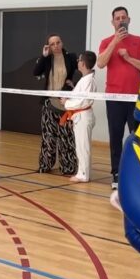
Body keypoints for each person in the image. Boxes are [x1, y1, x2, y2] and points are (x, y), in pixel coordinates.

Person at [97, 6, 140, 189]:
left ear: (129, 20)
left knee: (138, 137)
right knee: (116, 137)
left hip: (136, 98)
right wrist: (115, 42)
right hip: (114, 98)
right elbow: (101, 63)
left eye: (123, 17)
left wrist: (128, 58)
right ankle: (116, 175)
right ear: (113, 22)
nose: (121, 20)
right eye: (117, 18)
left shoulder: (139, 41)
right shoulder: (106, 42)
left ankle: (138, 174)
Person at [33, 34, 78, 175]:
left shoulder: (71, 57)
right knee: (48, 136)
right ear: (49, 46)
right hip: (49, 102)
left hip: (66, 102)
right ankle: (45, 165)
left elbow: (85, 69)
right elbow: (35, 72)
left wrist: (74, 84)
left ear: (62, 43)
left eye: (58, 42)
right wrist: (44, 56)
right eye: (52, 44)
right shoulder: (47, 59)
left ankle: (68, 167)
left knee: (67, 136)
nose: (56, 46)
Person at [62, 51, 97, 183]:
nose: (77, 62)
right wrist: (73, 87)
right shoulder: (84, 79)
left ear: (82, 63)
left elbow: (84, 101)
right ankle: (82, 172)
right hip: (80, 116)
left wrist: (67, 103)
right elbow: (81, 97)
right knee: (81, 146)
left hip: (83, 116)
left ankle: (83, 175)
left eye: (79, 60)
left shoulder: (89, 80)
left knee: (83, 146)